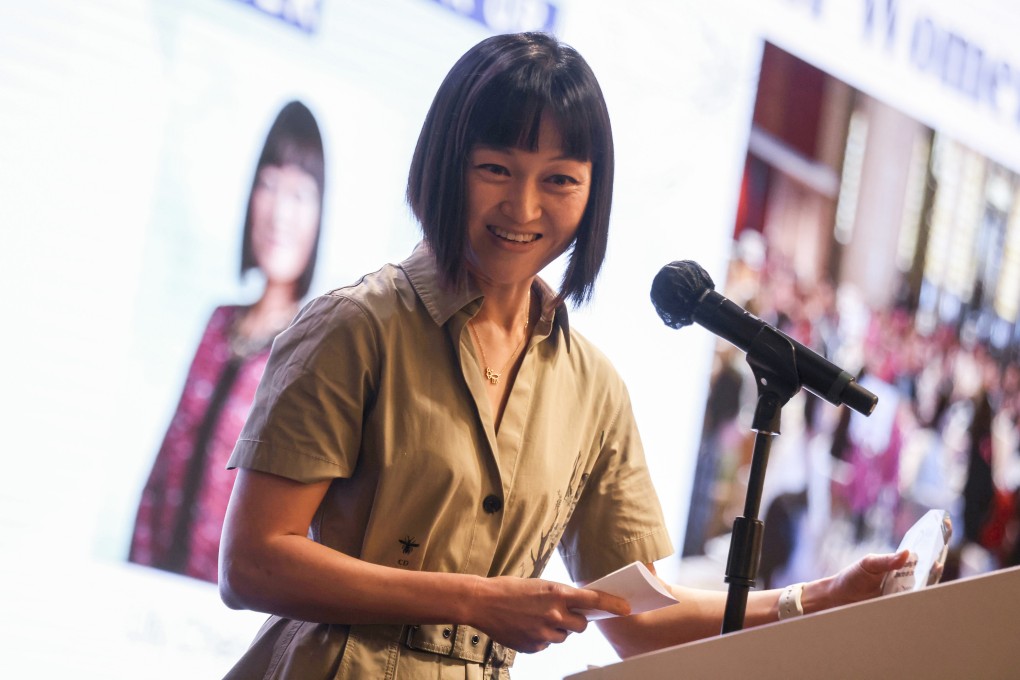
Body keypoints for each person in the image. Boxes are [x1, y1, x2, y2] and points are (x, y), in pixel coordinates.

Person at [218, 33, 907, 679]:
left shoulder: (592, 387)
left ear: (592, 192)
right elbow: (251, 563)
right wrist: (472, 601)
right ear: (444, 165)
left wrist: (818, 598)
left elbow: (639, 619)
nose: (522, 206)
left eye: (559, 181)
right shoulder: (356, 327)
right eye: (495, 169)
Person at [129, 100, 326, 583]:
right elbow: (162, 472)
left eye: (299, 194)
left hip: (232, 606)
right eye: (269, 185)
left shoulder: (320, 341)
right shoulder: (219, 323)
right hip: (151, 589)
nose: (280, 211)